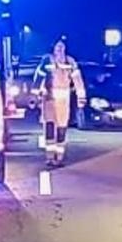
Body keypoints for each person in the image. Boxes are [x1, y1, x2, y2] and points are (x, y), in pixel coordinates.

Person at [42, 38, 87, 167]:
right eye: (58, 47)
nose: (60, 50)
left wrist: (81, 98)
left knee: (62, 129)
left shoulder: (70, 62)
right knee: (49, 128)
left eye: (62, 47)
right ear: (53, 48)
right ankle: (49, 157)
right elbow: (39, 77)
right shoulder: (47, 60)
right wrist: (37, 93)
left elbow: (78, 80)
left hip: (63, 101)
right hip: (49, 100)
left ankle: (59, 157)